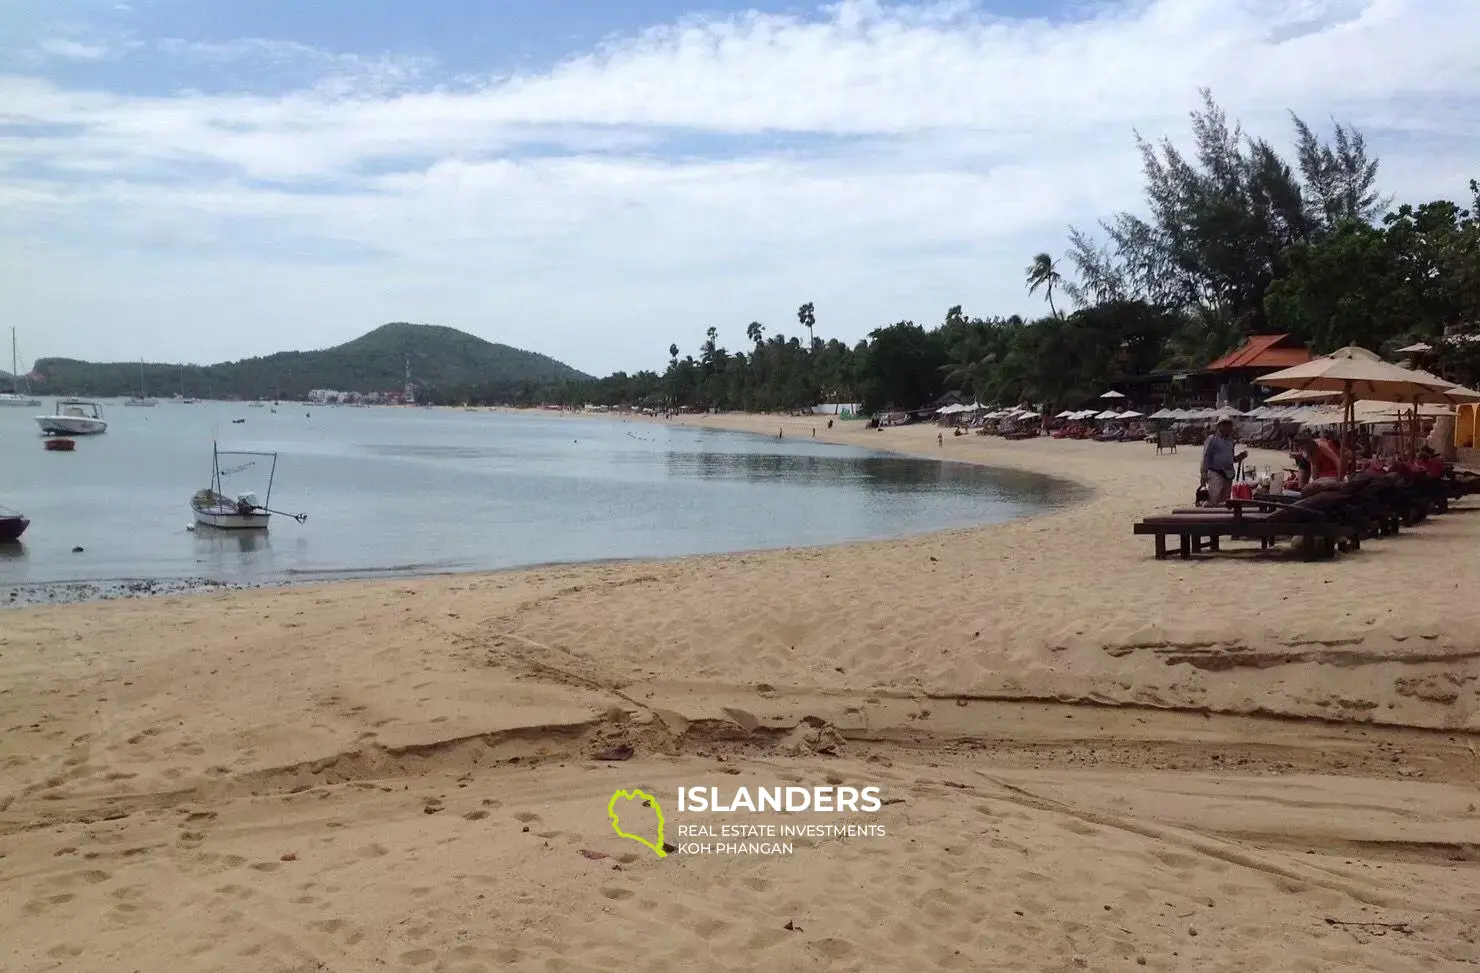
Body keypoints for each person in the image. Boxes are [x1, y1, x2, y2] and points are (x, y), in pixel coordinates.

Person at [1200, 418, 1247, 506]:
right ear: (1219, 426)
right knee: (1213, 499)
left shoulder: (1231, 441)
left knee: (1226, 501)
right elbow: (1205, 457)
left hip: (1228, 474)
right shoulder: (1212, 439)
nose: (1227, 426)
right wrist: (1203, 474)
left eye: (1229, 424)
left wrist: (1239, 457)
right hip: (1215, 472)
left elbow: (1230, 458)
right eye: (1224, 424)